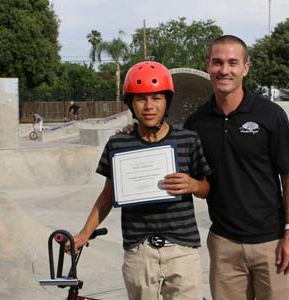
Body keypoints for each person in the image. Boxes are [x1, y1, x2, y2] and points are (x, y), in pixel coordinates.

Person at [73, 61, 212, 300]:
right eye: (140, 99)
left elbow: (208, 187)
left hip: (182, 249)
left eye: (156, 98)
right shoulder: (119, 144)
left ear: (167, 101)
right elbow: (107, 196)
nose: (149, 106)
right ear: (130, 103)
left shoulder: (188, 140)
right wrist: (85, 233)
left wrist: (193, 184)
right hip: (139, 250)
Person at [183, 35, 289, 300]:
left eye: (232, 63)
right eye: (217, 62)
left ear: (245, 68)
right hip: (224, 245)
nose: (224, 70)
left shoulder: (270, 115)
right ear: (208, 66)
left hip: (271, 244)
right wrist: (135, 132)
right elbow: (195, 180)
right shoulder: (197, 123)